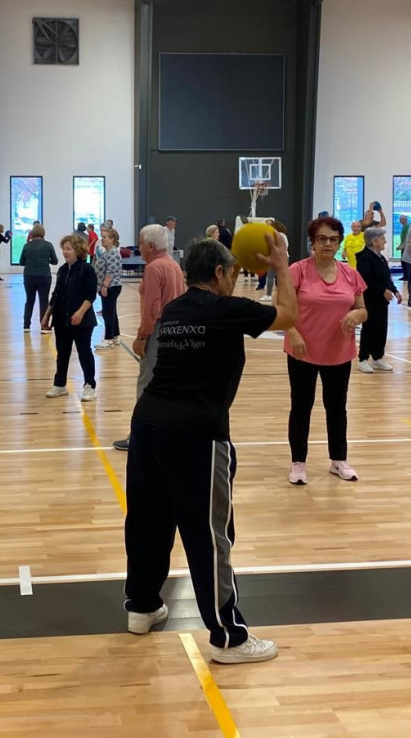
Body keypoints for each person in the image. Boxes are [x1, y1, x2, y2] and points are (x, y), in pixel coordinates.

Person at [124, 235, 296, 661]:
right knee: (210, 536)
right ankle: (228, 637)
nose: (235, 282)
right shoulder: (224, 310)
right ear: (219, 273)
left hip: (147, 424)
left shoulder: (174, 310)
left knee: (148, 522)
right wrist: (281, 265)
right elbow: (291, 314)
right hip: (196, 434)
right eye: (234, 274)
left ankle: (142, 606)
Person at [284, 216, 367, 485]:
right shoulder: (297, 270)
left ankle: (338, 460)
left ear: (339, 242)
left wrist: (358, 316)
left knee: (336, 407)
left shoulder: (350, 274)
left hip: (338, 351)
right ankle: (298, 463)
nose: (327, 244)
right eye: (322, 239)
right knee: (301, 406)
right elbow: (281, 308)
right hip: (302, 351)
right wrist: (293, 333)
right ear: (313, 242)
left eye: (333, 239)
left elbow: (362, 308)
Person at [113, 225, 187, 452]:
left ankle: (140, 435)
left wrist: (142, 336)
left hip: (157, 331)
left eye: (141, 242)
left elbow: (152, 308)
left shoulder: (154, 268)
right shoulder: (173, 265)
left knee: (146, 383)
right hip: (175, 331)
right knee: (168, 382)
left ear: (151, 246)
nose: (138, 247)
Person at [42, 234, 98, 402]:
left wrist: (80, 312)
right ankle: (60, 385)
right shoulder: (62, 270)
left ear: (78, 250)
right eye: (64, 249)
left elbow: (90, 295)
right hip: (61, 319)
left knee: (84, 353)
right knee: (63, 353)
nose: (65, 252)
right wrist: (47, 315)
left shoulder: (87, 270)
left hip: (82, 321)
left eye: (68, 249)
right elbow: (57, 294)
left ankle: (89, 385)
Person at [356, 227, 401, 373]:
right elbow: (366, 280)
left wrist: (395, 290)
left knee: (382, 329)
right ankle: (362, 359)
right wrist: (383, 291)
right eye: (382, 239)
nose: (385, 241)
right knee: (370, 328)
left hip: (382, 300)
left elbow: (386, 277)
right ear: (374, 241)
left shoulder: (380, 257)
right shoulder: (364, 258)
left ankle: (377, 357)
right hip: (370, 299)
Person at [19, 223, 58, 333]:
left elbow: (21, 262)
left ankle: (26, 325)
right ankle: (44, 325)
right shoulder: (48, 245)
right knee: (44, 300)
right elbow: (55, 261)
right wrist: (46, 260)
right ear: (43, 233)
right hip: (44, 275)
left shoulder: (27, 245)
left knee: (29, 301)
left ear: (32, 234)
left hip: (29, 276)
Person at [94, 226, 123, 349]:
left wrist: (105, 285)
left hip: (111, 286)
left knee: (107, 313)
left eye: (105, 237)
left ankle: (108, 339)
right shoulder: (108, 252)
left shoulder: (112, 253)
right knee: (111, 311)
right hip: (111, 286)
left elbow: (111, 271)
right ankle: (115, 336)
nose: (102, 240)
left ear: (112, 239)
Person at [397, 215, 411, 280]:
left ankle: (407, 276)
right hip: (404, 247)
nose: (400, 221)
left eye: (401, 219)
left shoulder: (407, 227)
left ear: (404, 220)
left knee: (405, 262)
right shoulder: (404, 226)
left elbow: (407, 238)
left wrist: (401, 246)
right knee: (403, 261)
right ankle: (405, 275)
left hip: (406, 247)